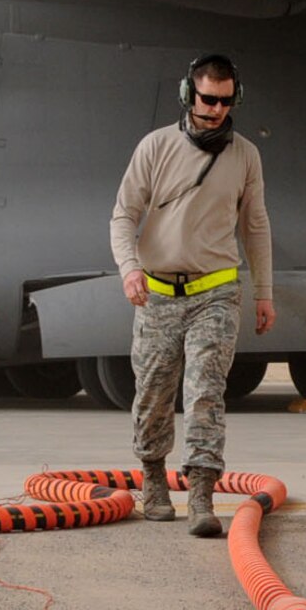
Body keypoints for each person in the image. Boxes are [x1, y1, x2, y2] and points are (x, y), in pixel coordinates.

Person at [109, 54, 274, 537]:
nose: (216, 109)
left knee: (205, 393)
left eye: (225, 101)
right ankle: (154, 479)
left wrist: (264, 292)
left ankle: (202, 495)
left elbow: (256, 226)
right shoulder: (155, 147)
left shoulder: (245, 155)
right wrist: (129, 269)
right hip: (157, 294)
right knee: (153, 395)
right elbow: (123, 215)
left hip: (216, 292)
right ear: (188, 94)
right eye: (207, 99)